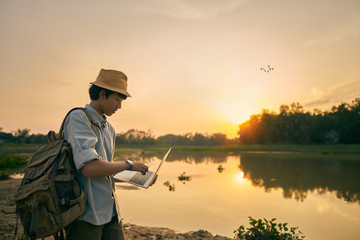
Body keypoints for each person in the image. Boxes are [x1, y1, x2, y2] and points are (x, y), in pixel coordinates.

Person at [63, 69, 154, 240]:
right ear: (103, 94)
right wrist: (129, 164)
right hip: (86, 214)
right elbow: (89, 168)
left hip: (111, 212)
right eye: (117, 100)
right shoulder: (78, 118)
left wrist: (140, 176)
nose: (119, 106)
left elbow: (106, 171)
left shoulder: (109, 128)